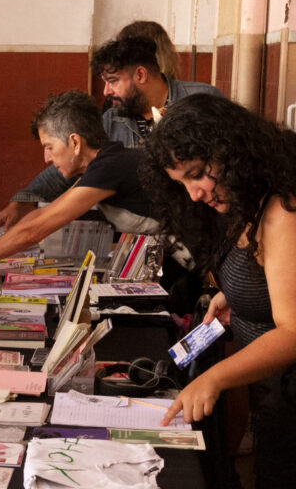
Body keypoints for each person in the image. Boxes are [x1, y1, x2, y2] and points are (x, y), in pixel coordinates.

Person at [144, 93, 296, 488]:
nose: (194, 193)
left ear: (231, 150)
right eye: (182, 184)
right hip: (273, 400)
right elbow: (268, 276)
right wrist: (238, 296)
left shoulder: (281, 210)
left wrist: (214, 378)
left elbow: (294, 331)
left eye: (196, 174)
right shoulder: (245, 202)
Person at [0, 33, 220, 239]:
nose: (107, 91)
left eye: (113, 81)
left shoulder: (201, 100)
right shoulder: (111, 119)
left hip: (203, 229)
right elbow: (72, 164)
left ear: (140, 75)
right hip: (147, 240)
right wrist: (24, 198)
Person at [0, 90, 156, 288]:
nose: (46, 158)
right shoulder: (102, 165)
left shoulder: (110, 166)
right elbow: (42, 216)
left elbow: (35, 230)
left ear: (75, 142)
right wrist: (18, 206)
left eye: (49, 147)